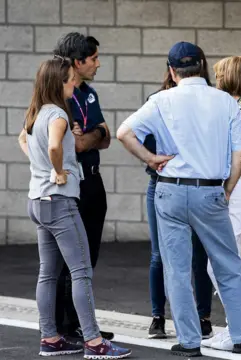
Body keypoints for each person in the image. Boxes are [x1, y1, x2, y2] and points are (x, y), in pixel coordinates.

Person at [116, 41, 241, 356]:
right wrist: (227, 189)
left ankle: (189, 342)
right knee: (227, 262)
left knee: (176, 267)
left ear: (172, 71)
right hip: (210, 189)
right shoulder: (225, 101)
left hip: (170, 190)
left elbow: (123, 132)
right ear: (202, 66)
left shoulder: (161, 100)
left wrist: (150, 158)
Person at [17, 56, 131, 359]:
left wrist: (40, 166)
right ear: (58, 82)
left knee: (48, 274)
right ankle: (94, 343)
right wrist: (56, 169)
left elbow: (22, 139)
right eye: (69, 79)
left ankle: (50, 338)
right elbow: (55, 146)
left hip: (38, 201)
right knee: (81, 272)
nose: (73, 83)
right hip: (59, 202)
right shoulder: (58, 115)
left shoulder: (36, 113)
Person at [143, 45, 214, 340]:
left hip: (193, 185)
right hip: (162, 184)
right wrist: (156, 158)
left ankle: (203, 317)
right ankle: (158, 317)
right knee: (160, 255)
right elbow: (141, 138)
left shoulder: (211, 101)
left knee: (198, 255)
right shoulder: (158, 101)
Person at [51, 32, 114, 343]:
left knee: (89, 259)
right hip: (71, 187)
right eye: (94, 59)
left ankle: (79, 322)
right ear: (78, 62)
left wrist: (91, 136)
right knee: (68, 261)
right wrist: (92, 137)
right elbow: (74, 144)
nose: (98, 64)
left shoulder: (88, 93)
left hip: (94, 182)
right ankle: (61, 325)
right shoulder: (57, 96)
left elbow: (106, 137)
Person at [202, 55, 241, 352]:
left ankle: (237, 328)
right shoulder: (239, 108)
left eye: (220, 75)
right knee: (218, 263)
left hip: (235, 189)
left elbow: (236, 154)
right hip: (235, 188)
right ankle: (234, 326)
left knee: (222, 264)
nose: (217, 80)